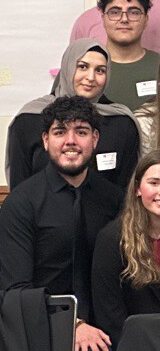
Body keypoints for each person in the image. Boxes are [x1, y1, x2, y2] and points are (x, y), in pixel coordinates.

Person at [0, 96, 124, 351]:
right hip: (41, 333)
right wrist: (74, 325)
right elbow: (16, 291)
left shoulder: (113, 200)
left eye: (81, 131)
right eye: (60, 132)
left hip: (107, 333)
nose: (71, 141)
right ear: (45, 140)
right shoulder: (21, 204)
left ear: (95, 139)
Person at [91, 150, 160, 346]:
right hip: (130, 343)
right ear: (138, 188)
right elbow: (109, 314)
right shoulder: (112, 238)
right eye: (154, 183)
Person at [6, 38, 139, 190]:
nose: (91, 77)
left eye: (100, 70)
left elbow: (127, 191)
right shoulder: (29, 119)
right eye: (82, 67)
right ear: (68, 68)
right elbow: (19, 187)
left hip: (107, 212)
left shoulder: (121, 122)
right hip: (39, 212)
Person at [97, 0, 160, 111]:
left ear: (146, 20)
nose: (124, 19)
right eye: (115, 12)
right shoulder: (82, 66)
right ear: (103, 19)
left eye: (134, 12)